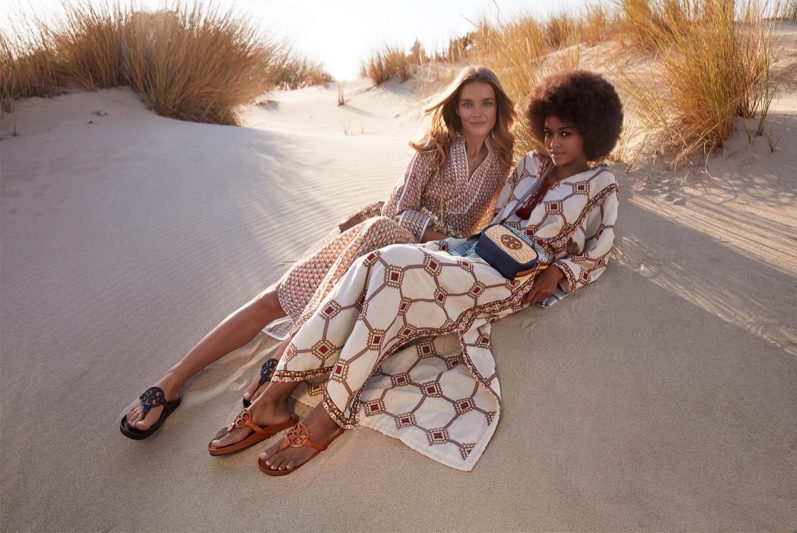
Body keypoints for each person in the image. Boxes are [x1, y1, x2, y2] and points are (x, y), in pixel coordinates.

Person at [207, 69, 625, 474]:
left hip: (513, 279)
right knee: (376, 261)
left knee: (396, 266)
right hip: (475, 251)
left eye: (565, 133)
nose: (553, 143)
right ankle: (274, 398)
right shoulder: (531, 165)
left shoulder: (600, 183)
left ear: (592, 131)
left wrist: (560, 269)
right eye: (549, 132)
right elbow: (495, 217)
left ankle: (329, 415)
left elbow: (600, 250)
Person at [121, 65, 517, 439]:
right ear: (456, 107)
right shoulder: (435, 148)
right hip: (377, 234)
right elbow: (397, 210)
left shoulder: (501, 161)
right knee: (276, 298)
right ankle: (172, 380)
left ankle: (283, 358)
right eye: (468, 103)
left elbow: (477, 227)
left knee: (333, 300)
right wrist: (432, 231)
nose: (477, 112)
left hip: (412, 263)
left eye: (486, 103)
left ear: (498, 108)